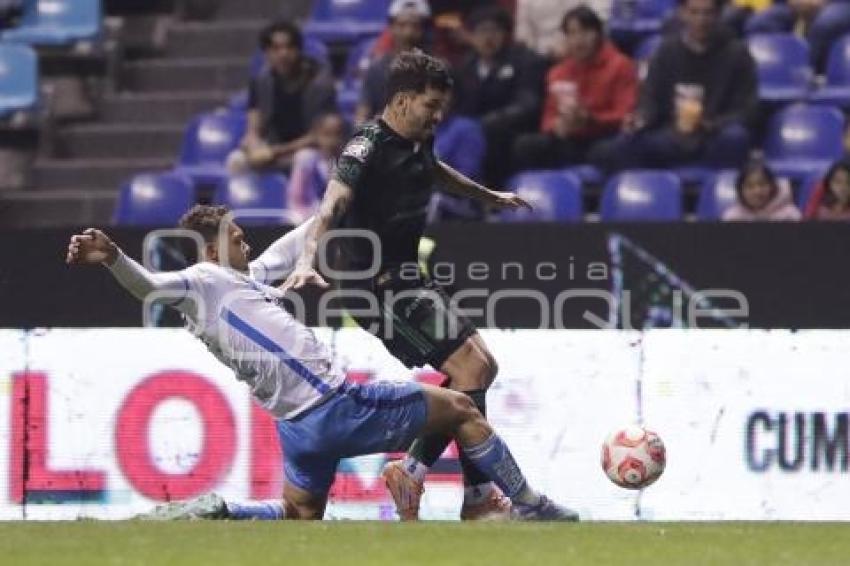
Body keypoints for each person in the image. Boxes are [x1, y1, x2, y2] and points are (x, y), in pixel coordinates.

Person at [65, 206, 577, 522]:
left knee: (299, 514)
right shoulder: (201, 281)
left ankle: (223, 511)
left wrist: (339, 202)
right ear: (211, 248)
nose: (247, 243)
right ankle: (528, 504)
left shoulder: (244, 281)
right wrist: (113, 258)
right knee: (463, 408)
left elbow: (290, 247)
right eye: (238, 237)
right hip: (337, 405)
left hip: (296, 429)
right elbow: (151, 287)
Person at [282, 50, 534, 521]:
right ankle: (447, 487)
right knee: (470, 371)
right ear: (401, 100)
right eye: (430, 105)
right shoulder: (366, 145)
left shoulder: (419, 139)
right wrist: (307, 257)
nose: (438, 116)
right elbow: (332, 204)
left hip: (405, 278)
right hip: (373, 286)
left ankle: (439, 483)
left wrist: (488, 195)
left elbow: (435, 172)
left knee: (482, 369)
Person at [590, 0, 758, 173]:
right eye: (694, 13)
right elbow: (650, 100)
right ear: (682, 13)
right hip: (672, 135)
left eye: (707, 13)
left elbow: (747, 110)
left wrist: (712, 124)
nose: (701, 20)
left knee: (736, 137)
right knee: (614, 149)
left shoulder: (737, 53)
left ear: (718, 15)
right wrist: (640, 120)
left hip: (714, 136)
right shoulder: (666, 50)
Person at [511, 6, 637, 172]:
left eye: (585, 32)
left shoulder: (620, 65)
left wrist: (590, 119)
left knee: (608, 151)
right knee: (525, 145)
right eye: (572, 33)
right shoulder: (558, 72)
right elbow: (548, 118)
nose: (578, 40)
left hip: (605, 136)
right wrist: (556, 126)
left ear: (599, 34)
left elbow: (625, 114)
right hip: (569, 138)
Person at [227, 20, 336, 174]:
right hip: (274, 148)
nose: (283, 54)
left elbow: (319, 135)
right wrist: (253, 143)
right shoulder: (261, 81)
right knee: (236, 160)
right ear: (266, 53)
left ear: (299, 50)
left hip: (309, 150)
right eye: (276, 48)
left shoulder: (320, 83)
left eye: (289, 47)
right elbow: (253, 126)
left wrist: (275, 151)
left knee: (304, 160)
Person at [455, 6, 546, 186]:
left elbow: (528, 104)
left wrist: (489, 122)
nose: (488, 38)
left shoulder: (524, 60)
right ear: (471, 37)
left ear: (505, 34)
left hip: (513, 129)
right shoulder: (466, 67)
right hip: (475, 130)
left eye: (494, 30)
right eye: (482, 31)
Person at [355, 0, 431, 124]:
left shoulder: (437, 69)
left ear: (423, 30)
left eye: (415, 26)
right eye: (402, 25)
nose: (408, 33)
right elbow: (362, 112)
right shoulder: (377, 68)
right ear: (391, 28)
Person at [287, 113, 348, 224]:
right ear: (316, 135)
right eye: (327, 134)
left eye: (337, 135)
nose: (332, 141)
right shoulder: (305, 159)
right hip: (305, 219)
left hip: (334, 221)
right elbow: (296, 200)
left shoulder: (346, 162)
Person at [722, 160, 801, 221]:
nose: (757, 191)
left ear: (772, 187)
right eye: (750, 186)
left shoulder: (790, 216)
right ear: (741, 190)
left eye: (762, 185)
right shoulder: (733, 217)